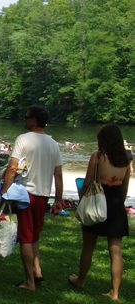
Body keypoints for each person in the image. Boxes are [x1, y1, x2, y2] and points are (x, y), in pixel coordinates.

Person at [0, 105, 63, 291]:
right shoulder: (53, 143)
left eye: (26, 116)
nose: (24, 120)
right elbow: (58, 174)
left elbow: (12, 168)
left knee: (26, 238)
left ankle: (29, 282)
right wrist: (58, 199)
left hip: (25, 194)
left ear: (34, 120)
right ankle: (37, 271)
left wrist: (4, 191)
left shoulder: (23, 139)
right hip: (43, 196)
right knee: (35, 235)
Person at [68, 124, 131, 301]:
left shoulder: (98, 156)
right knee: (116, 249)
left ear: (103, 139)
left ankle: (80, 280)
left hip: (97, 201)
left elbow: (88, 182)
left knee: (88, 245)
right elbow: (125, 185)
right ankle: (116, 292)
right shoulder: (126, 158)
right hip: (116, 203)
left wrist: (82, 201)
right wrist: (120, 203)